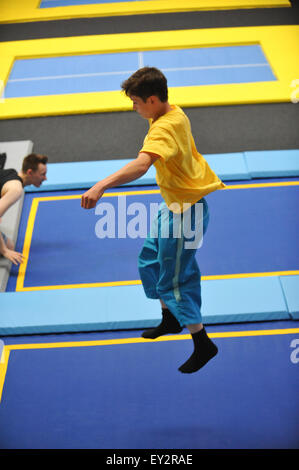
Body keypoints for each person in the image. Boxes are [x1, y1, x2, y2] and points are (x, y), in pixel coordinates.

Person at [81, 67, 226, 373]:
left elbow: (141, 165)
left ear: (151, 100)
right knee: (150, 261)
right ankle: (170, 319)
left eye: (135, 101)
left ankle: (203, 344)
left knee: (175, 280)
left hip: (188, 213)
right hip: (173, 205)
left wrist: (101, 185)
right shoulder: (170, 111)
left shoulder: (162, 129)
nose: (133, 107)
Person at [0, 153, 48, 265]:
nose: (45, 178)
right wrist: (4, 250)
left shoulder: (10, 173)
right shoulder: (16, 190)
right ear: (30, 172)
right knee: (9, 246)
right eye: (42, 174)